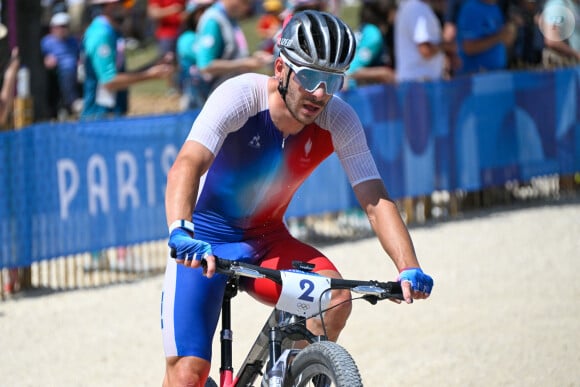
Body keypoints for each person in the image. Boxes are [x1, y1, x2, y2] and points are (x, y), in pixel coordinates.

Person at [162, 10, 434, 386]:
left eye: (332, 80)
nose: (320, 93)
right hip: (207, 239)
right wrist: (180, 231)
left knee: (334, 300)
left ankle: (285, 375)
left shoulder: (339, 119)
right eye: (309, 77)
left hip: (267, 239)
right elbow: (187, 164)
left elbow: (374, 198)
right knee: (188, 372)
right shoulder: (240, 96)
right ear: (280, 69)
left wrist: (408, 266)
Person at [81, 0, 174, 119]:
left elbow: (121, 74)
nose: (130, 7)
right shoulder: (101, 34)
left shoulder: (113, 30)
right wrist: (149, 74)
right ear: (111, 5)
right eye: (127, 3)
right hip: (98, 117)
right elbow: (109, 81)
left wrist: (154, 66)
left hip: (113, 113)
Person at [192, 0, 273, 103]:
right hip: (218, 96)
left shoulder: (230, 18)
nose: (248, 8)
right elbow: (206, 66)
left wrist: (253, 57)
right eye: (245, 2)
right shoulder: (213, 20)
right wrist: (243, 63)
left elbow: (231, 54)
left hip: (233, 93)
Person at [394, 0, 455, 82]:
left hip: (416, 83)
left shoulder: (413, 7)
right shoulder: (417, 9)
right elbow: (425, 50)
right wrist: (448, 47)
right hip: (419, 84)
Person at [455, 0, 517, 75]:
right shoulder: (472, 8)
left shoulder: (495, 7)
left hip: (497, 73)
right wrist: (499, 36)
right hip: (476, 76)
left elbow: (505, 41)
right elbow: (468, 48)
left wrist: (511, 30)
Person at [345, 0, 397, 88]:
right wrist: (385, 73)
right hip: (355, 93)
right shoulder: (374, 35)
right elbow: (352, 71)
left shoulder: (367, 28)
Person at [41, 12, 83, 119]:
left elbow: (80, 55)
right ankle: (72, 102)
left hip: (76, 70)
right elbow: (43, 58)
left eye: (65, 26)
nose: (63, 29)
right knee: (66, 73)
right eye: (60, 26)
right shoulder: (47, 42)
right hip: (59, 69)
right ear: (53, 28)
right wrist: (47, 60)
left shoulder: (73, 41)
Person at [176, 0, 214, 110]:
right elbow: (205, 58)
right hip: (193, 94)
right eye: (202, 11)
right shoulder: (187, 38)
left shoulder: (207, 36)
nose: (207, 14)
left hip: (209, 91)